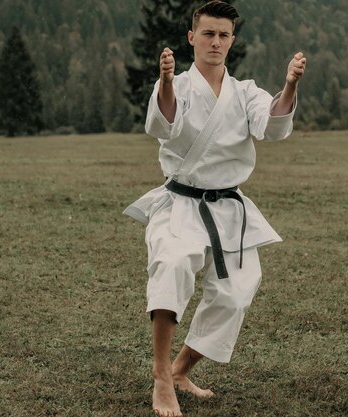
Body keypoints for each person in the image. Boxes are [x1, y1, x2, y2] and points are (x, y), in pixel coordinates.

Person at [123, 1, 307, 416]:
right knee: (172, 265)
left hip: (228, 207)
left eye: (224, 35)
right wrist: (167, 82)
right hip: (181, 202)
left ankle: (179, 370)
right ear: (192, 37)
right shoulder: (178, 85)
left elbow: (272, 125)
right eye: (208, 33)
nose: (216, 42)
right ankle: (159, 378)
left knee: (236, 292)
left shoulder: (245, 92)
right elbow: (162, 125)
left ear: (232, 41)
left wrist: (290, 85)